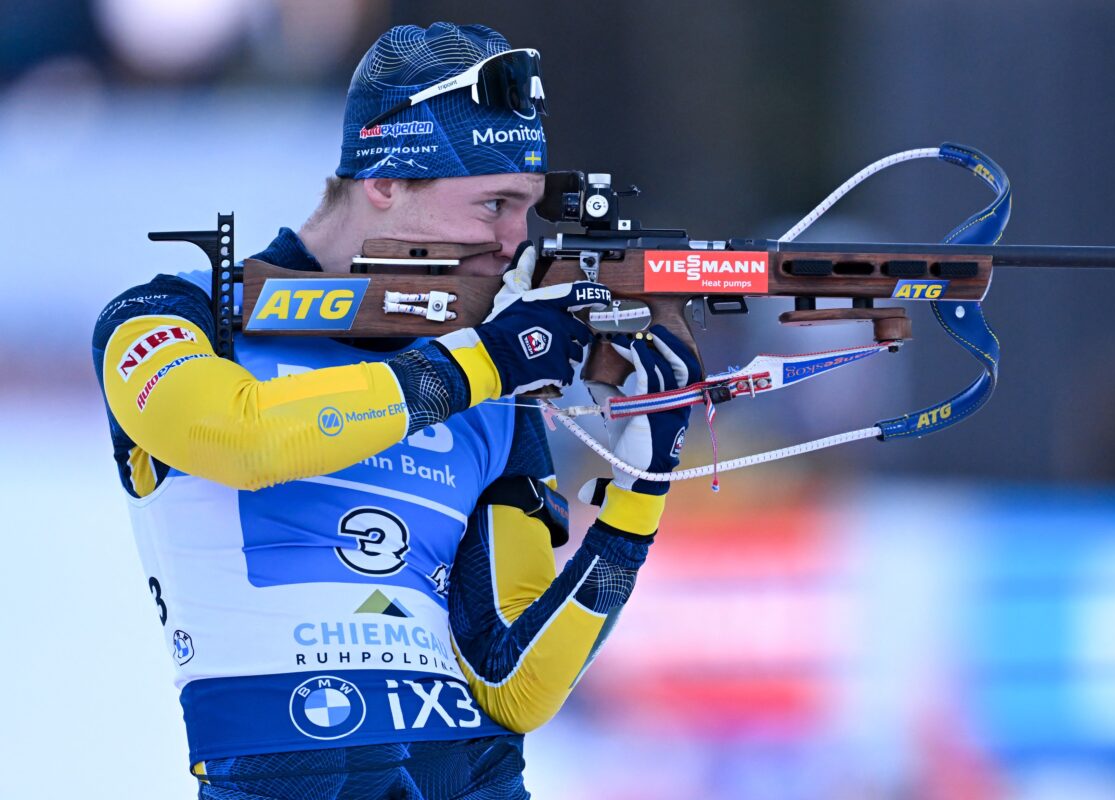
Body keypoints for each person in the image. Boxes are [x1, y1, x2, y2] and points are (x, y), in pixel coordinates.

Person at [91, 22, 698, 800]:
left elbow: (515, 686)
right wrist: (487, 360)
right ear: (385, 180)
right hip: (296, 765)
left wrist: (641, 489)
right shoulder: (178, 314)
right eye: (493, 204)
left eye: (528, 208)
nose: (516, 240)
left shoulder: (495, 385)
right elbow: (239, 437)